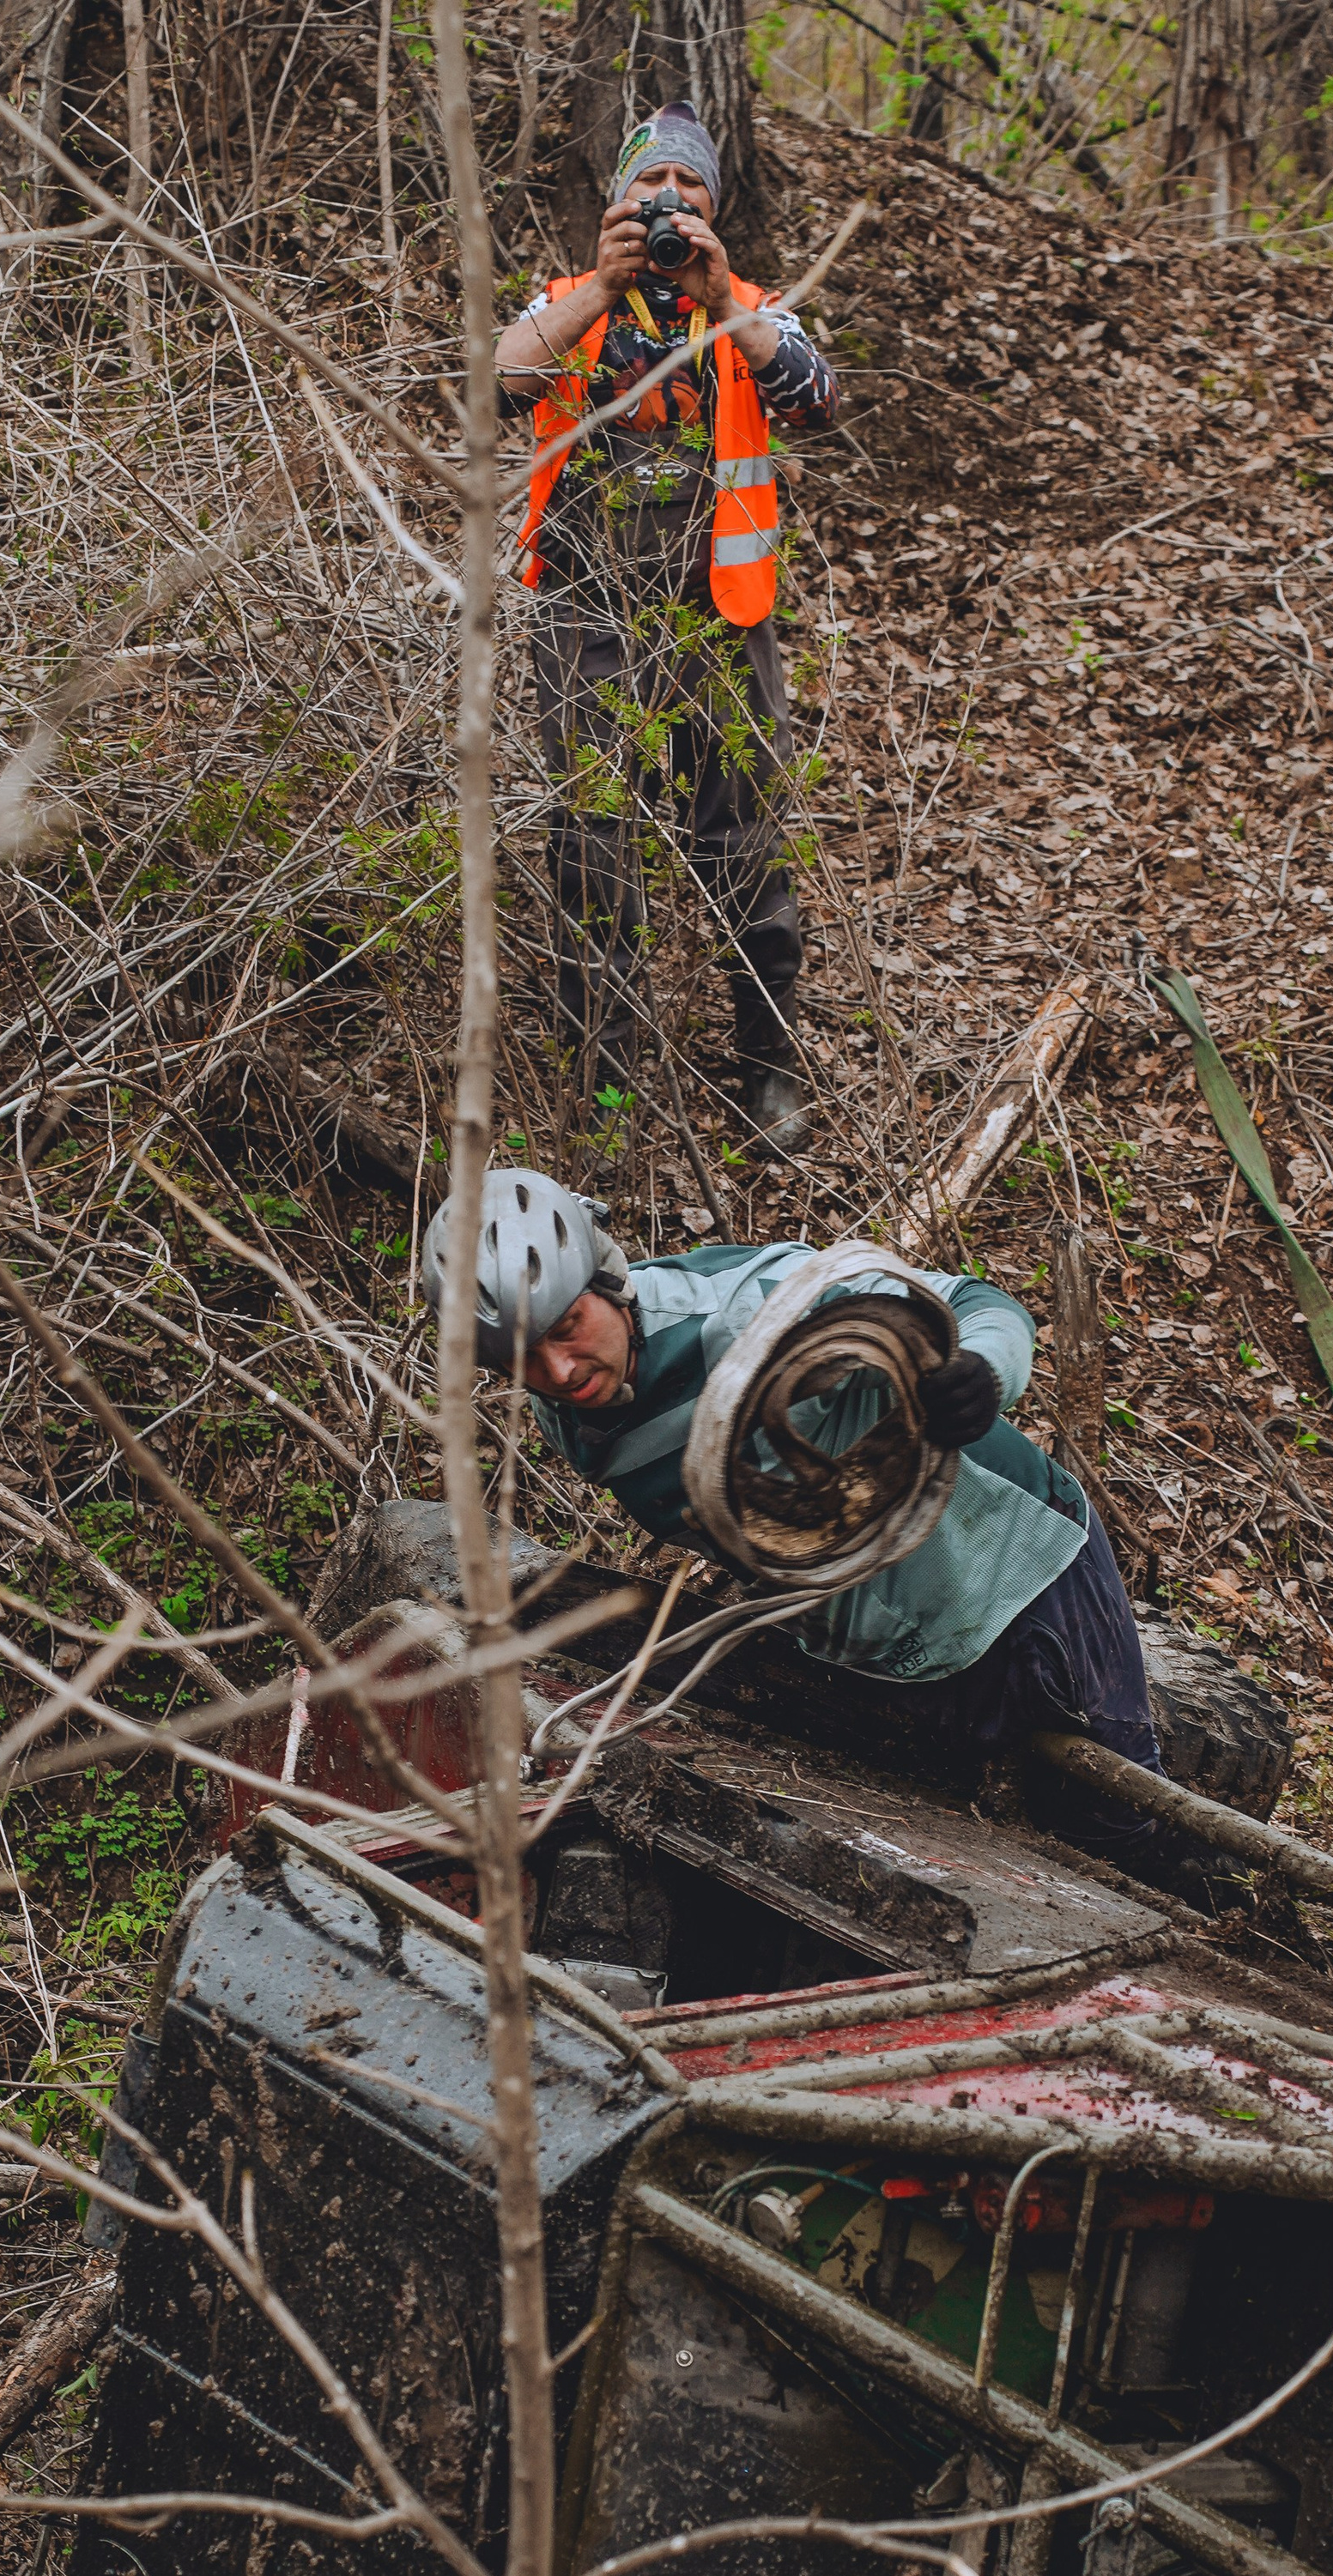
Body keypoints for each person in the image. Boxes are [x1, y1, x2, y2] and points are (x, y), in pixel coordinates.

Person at [424, 1170, 1166, 1869]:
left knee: (1114, 1819)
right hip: (871, 1638)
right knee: (989, 1836)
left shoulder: (754, 1306)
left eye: (568, 1325)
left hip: (1017, 1567)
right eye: (521, 1357)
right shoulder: (571, 1417)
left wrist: (980, 1372)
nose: (559, 1372)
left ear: (608, 1277)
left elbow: (978, 1305)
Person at [494, 103, 841, 1165]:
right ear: (612, 208)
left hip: (720, 615)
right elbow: (496, 384)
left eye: (689, 193)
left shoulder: (746, 313)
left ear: (714, 212)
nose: (668, 209)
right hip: (587, 609)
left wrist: (721, 294)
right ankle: (604, 1080)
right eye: (650, 192)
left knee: (740, 839)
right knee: (590, 840)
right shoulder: (569, 306)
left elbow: (817, 397)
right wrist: (602, 287)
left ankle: (767, 1066)